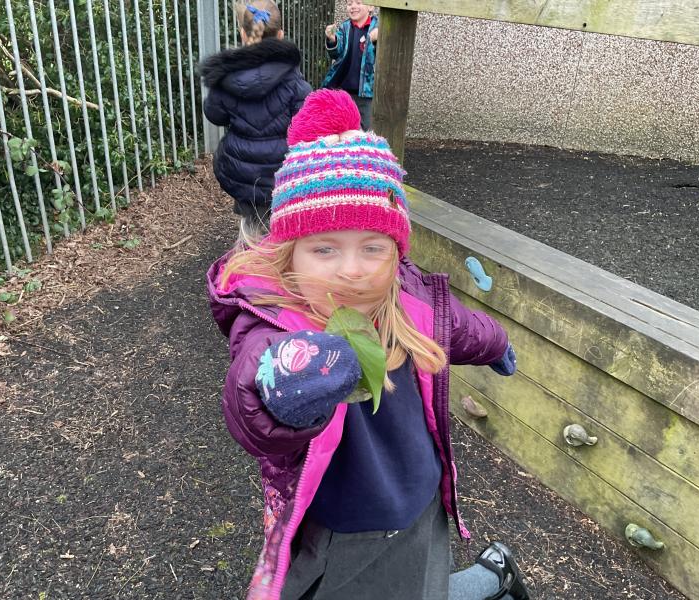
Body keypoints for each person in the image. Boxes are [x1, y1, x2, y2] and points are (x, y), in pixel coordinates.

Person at [207, 89, 528, 600]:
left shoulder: (405, 298)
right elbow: (249, 389)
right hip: (339, 523)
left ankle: (490, 577)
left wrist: (495, 342)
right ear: (289, 254)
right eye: (325, 248)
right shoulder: (276, 320)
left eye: (372, 247)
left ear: (396, 252)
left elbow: (458, 325)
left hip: (418, 500)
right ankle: (493, 576)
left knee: (417, 583)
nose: (352, 270)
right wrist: (280, 380)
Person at [200, 1, 312, 238]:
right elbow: (306, 125)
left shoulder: (226, 77)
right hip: (283, 174)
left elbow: (215, 115)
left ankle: (247, 255)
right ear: (280, 35)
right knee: (282, 232)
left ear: (243, 34)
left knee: (250, 228)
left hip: (242, 171)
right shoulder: (295, 82)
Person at [321, 1, 378, 130]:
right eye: (349, 3)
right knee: (343, 127)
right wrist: (332, 39)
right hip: (344, 90)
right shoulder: (344, 28)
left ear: (370, 6)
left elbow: (383, 55)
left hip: (366, 92)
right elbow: (336, 53)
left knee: (367, 128)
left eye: (358, 2)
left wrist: (377, 39)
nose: (353, 6)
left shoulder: (377, 28)